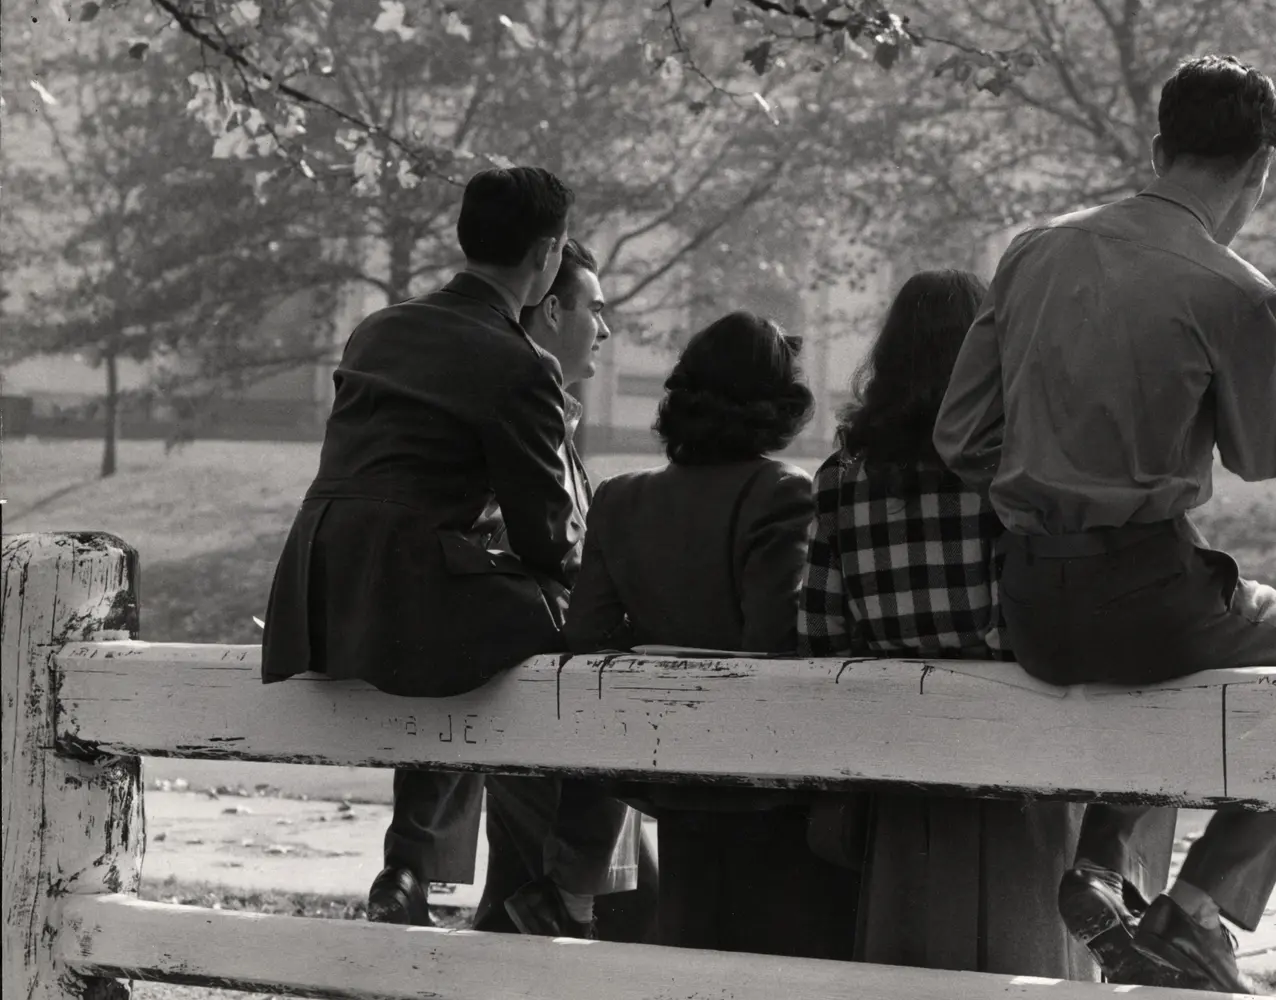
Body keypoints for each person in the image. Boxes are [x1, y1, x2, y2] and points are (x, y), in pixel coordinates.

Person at [933, 55, 1276, 994]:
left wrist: (1043, 478)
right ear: (1258, 170)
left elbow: (961, 433)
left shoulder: (1032, 250)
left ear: (1156, 148)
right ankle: (1198, 907)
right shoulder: (1238, 291)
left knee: (1169, 654)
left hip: (1030, 600)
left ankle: (1104, 867)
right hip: (1147, 592)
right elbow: (1265, 459)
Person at [800, 270, 1166, 979]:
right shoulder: (1011, 470)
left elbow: (819, 628)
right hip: (1019, 741)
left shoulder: (840, 476)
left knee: (904, 957)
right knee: (1026, 950)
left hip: (897, 752)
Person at [261, 166, 580, 927]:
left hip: (317, 587)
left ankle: (410, 868)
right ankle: (549, 878)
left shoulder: (378, 329)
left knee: (481, 626)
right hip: (415, 593)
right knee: (579, 617)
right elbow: (551, 538)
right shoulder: (520, 364)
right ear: (548, 255)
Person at [519, 311, 859, 956]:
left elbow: (587, 637)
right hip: (768, 789)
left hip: (672, 782)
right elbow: (772, 642)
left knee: (691, 951)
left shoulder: (620, 499)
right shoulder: (780, 491)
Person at [463, 239, 661, 945]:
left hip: (544, 697)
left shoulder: (547, 414)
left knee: (520, 901)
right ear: (550, 311)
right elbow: (543, 547)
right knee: (606, 910)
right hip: (535, 688)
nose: (605, 330)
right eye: (595, 310)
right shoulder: (517, 410)